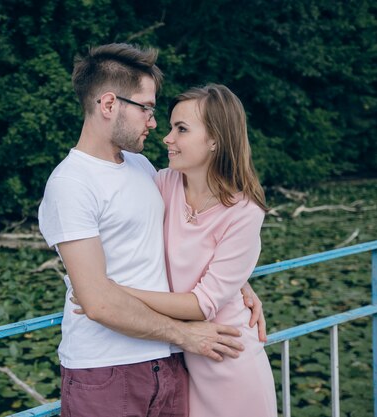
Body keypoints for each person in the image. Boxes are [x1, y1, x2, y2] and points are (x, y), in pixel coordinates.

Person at [38, 43, 265, 417]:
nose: (154, 123)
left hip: (170, 365)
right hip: (107, 368)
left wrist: (236, 282)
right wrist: (186, 334)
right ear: (109, 105)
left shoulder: (144, 168)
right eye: (146, 108)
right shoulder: (71, 184)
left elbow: (190, 237)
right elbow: (97, 302)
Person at [108, 84, 277, 416]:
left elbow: (202, 305)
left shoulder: (244, 211)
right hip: (184, 362)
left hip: (229, 362)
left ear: (214, 139)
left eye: (181, 129)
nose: (167, 138)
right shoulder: (163, 184)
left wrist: (116, 294)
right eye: (170, 127)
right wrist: (237, 282)